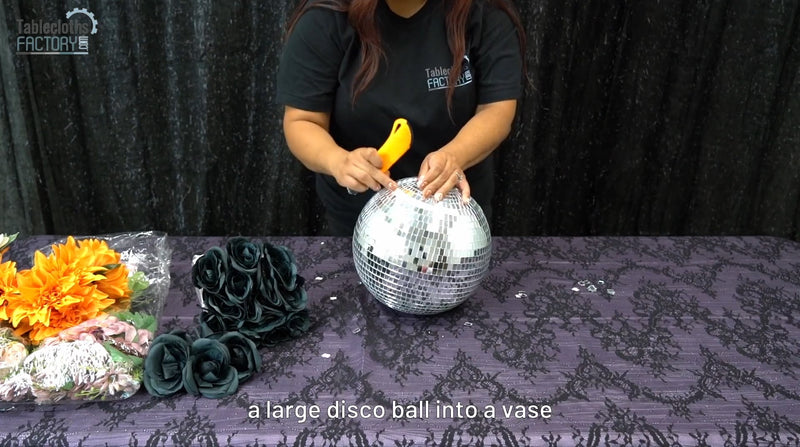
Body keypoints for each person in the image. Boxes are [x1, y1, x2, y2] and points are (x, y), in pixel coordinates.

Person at [277, 0, 525, 236]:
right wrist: (338, 161)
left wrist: (454, 156)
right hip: (360, 219)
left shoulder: (484, 12)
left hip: (455, 218)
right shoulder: (326, 17)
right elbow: (302, 121)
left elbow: (497, 109)